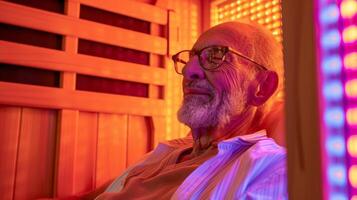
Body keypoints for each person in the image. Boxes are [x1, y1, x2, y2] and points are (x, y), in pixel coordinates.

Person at [95, 20, 286, 199]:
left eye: (216, 55)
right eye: (190, 57)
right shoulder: (167, 151)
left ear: (262, 87)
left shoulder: (271, 170)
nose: (188, 70)